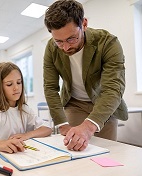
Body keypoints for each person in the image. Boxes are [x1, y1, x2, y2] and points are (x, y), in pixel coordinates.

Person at [43, 0, 128, 151]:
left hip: (103, 103)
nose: (66, 47)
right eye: (59, 42)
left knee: (106, 153)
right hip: (74, 103)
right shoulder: (51, 48)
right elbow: (50, 87)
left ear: (84, 24)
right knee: (73, 152)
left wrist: (89, 127)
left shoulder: (108, 43)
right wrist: (62, 124)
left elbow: (113, 88)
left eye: (71, 38)